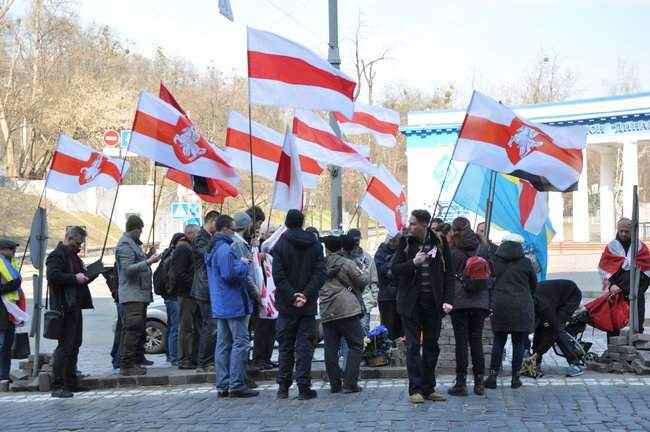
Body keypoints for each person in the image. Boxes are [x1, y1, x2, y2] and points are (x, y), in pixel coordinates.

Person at [391, 209, 454, 404]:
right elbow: (393, 270)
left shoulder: (440, 242)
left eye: (413, 223)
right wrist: (414, 262)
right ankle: (415, 389)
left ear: (424, 225)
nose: (409, 227)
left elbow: (449, 274)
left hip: (433, 304)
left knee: (431, 346)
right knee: (412, 347)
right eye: (410, 223)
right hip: (410, 304)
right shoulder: (404, 242)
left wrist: (448, 299)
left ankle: (429, 387)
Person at [272, 209, 326, 400]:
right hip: (307, 305)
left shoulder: (280, 245)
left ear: (286, 223)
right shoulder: (315, 245)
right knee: (305, 346)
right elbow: (320, 274)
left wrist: (292, 295)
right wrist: (305, 294)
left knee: (285, 346)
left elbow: (278, 276)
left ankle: (283, 387)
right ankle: (304, 387)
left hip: (287, 305)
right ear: (302, 223)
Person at [207, 215, 258, 398]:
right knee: (241, 342)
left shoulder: (213, 247)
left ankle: (223, 383)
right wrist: (244, 263)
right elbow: (230, 275)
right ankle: (236, 383)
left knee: (223, 344)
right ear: (226, 228)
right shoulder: (225, 249)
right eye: (233, 229)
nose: (234, 232)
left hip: (221, 303)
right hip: (233, 302)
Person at [46, 227, 96, 397]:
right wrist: (75, 278)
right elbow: (53, 276)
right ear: (68, 238)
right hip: (64, 307)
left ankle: (71, 382)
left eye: (80, 244)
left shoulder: (73, 256)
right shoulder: (56, 255)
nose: (79, 247)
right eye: (77, 243)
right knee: (65, 346)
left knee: (75, 344)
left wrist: (90, 274)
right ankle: (58, 385)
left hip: (75, 306)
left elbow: (79, 279)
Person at [484, 233, 537, 390]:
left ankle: (493, 376)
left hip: (500, 305)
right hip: (521, 305)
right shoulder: (526, 263)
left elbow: (489, 283)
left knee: (499, 341)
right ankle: (515, 378)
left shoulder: (494, 261)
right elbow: (534, 285)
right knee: (518, 343)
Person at [447, 217, 490, 397]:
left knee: (461, 343)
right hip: (480, 301)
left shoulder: (453, 250)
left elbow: (448, 276)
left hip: (460, 302)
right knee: (476, 341)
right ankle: (479, 382)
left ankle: (461, 382)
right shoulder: (483, 247)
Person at [320, 235, 368, 393]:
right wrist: (365, 272)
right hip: (347, 309)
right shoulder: (347, 263)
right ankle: (350, 383)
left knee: (330, 349)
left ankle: (335, 385)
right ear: (340, 247)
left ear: (326, 249)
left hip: (327, 310)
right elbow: (362, 281)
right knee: (356, 344)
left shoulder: (320, 265)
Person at [116, 215, 160, 377]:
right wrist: (148, 262)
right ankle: (127, 364)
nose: (141, 233)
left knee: (138, 329)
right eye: (140, 230)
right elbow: (128, 269)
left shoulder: (133, 244)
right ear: (134, 229)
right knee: (132, 329)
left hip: (139, 295)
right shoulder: (125, 245)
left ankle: (134, 360)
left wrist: (148, 256)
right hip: (132, 295)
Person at [598, 218, 650, 335]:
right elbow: (604, 268)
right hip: (615, 290)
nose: (623, 234)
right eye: (621, 231)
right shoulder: (611, 247)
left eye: (627, 231)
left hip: (635, 291)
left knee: (637, 319)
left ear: (632, 231)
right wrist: (611, 285)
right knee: (613, 320)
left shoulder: (640, 247)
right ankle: (612, 344)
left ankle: (637, 339)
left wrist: (638, 289)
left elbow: (647, 269)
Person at [531, 279, 583, 377]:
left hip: (571, 296)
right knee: (540, 327)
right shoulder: (529, 302)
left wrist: (539, 351)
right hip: (555, 298)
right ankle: (535, 362)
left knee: (557, 330)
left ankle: (575, 364)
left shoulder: (542, 305)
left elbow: (552, 332)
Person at [190, 211, 220, 372]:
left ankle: (206, 360)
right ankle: (204, 362)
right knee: (210, 326)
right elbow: (207, 255)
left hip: (207, 287)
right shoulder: (201, 238)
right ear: (212, 221)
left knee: (209, 325)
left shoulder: (208, 237)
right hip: (203, 288)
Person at [252, 226, 281, 370]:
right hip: (261, 294)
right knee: (262, 330)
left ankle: (266, 357)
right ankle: (259, 358)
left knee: (271, 330)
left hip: (271, 294)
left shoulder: (270, 250)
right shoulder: (255, 248)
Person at [155, 233, 186, 366]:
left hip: (168, 295)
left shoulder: (167, 254)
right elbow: (173, 277)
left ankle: (170, 355)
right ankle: (173, 357)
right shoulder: (173, 256)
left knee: (172, 326)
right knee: (175, 327)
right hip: (172, 295)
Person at [346, 228, 379, 336]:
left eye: (357, 240)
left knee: (364, 328)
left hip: (365, 299)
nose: (356, 243)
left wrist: (374, 297)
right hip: (347, 298)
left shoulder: (368, 258)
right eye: (353, 240)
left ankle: (363, 352)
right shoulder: (344, 258)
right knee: (349, 331)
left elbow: (374, 279)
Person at [177, 224, 201, 369]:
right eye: (196, 234)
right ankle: (185, 359)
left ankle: (192, 357)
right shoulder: (183, 248)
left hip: (191, 293)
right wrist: (193, 283)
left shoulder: (190, 247)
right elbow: (179, 272)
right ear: (190, 233)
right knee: (187, 328)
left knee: (194, 327)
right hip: (186, 294)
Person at [0, 239, 22, 383]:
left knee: (7, 345)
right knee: (2, 345)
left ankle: (4, 375)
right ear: (2, 250)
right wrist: (13, 285)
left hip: (10, 310)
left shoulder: (11, 263)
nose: (14, 252)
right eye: (11, 249)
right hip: (1, 310)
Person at [374, 233, 403, 340]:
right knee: (388, 330)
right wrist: (393, 260)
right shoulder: (381, 252)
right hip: (387, 297)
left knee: (402, 331)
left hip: (401, 296)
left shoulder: (403, 251)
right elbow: (382, 271)